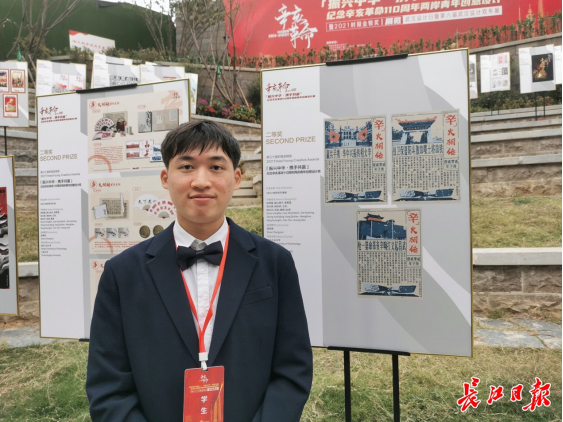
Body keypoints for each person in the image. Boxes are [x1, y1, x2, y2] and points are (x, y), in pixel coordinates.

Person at [86, 120, 313, 421]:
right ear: (165, 177)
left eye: (216, 167)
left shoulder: (275, 262)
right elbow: (108, 385)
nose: (201, 181)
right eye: (187, 167)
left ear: (237, 178)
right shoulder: (122, 273)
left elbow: (293, 369)